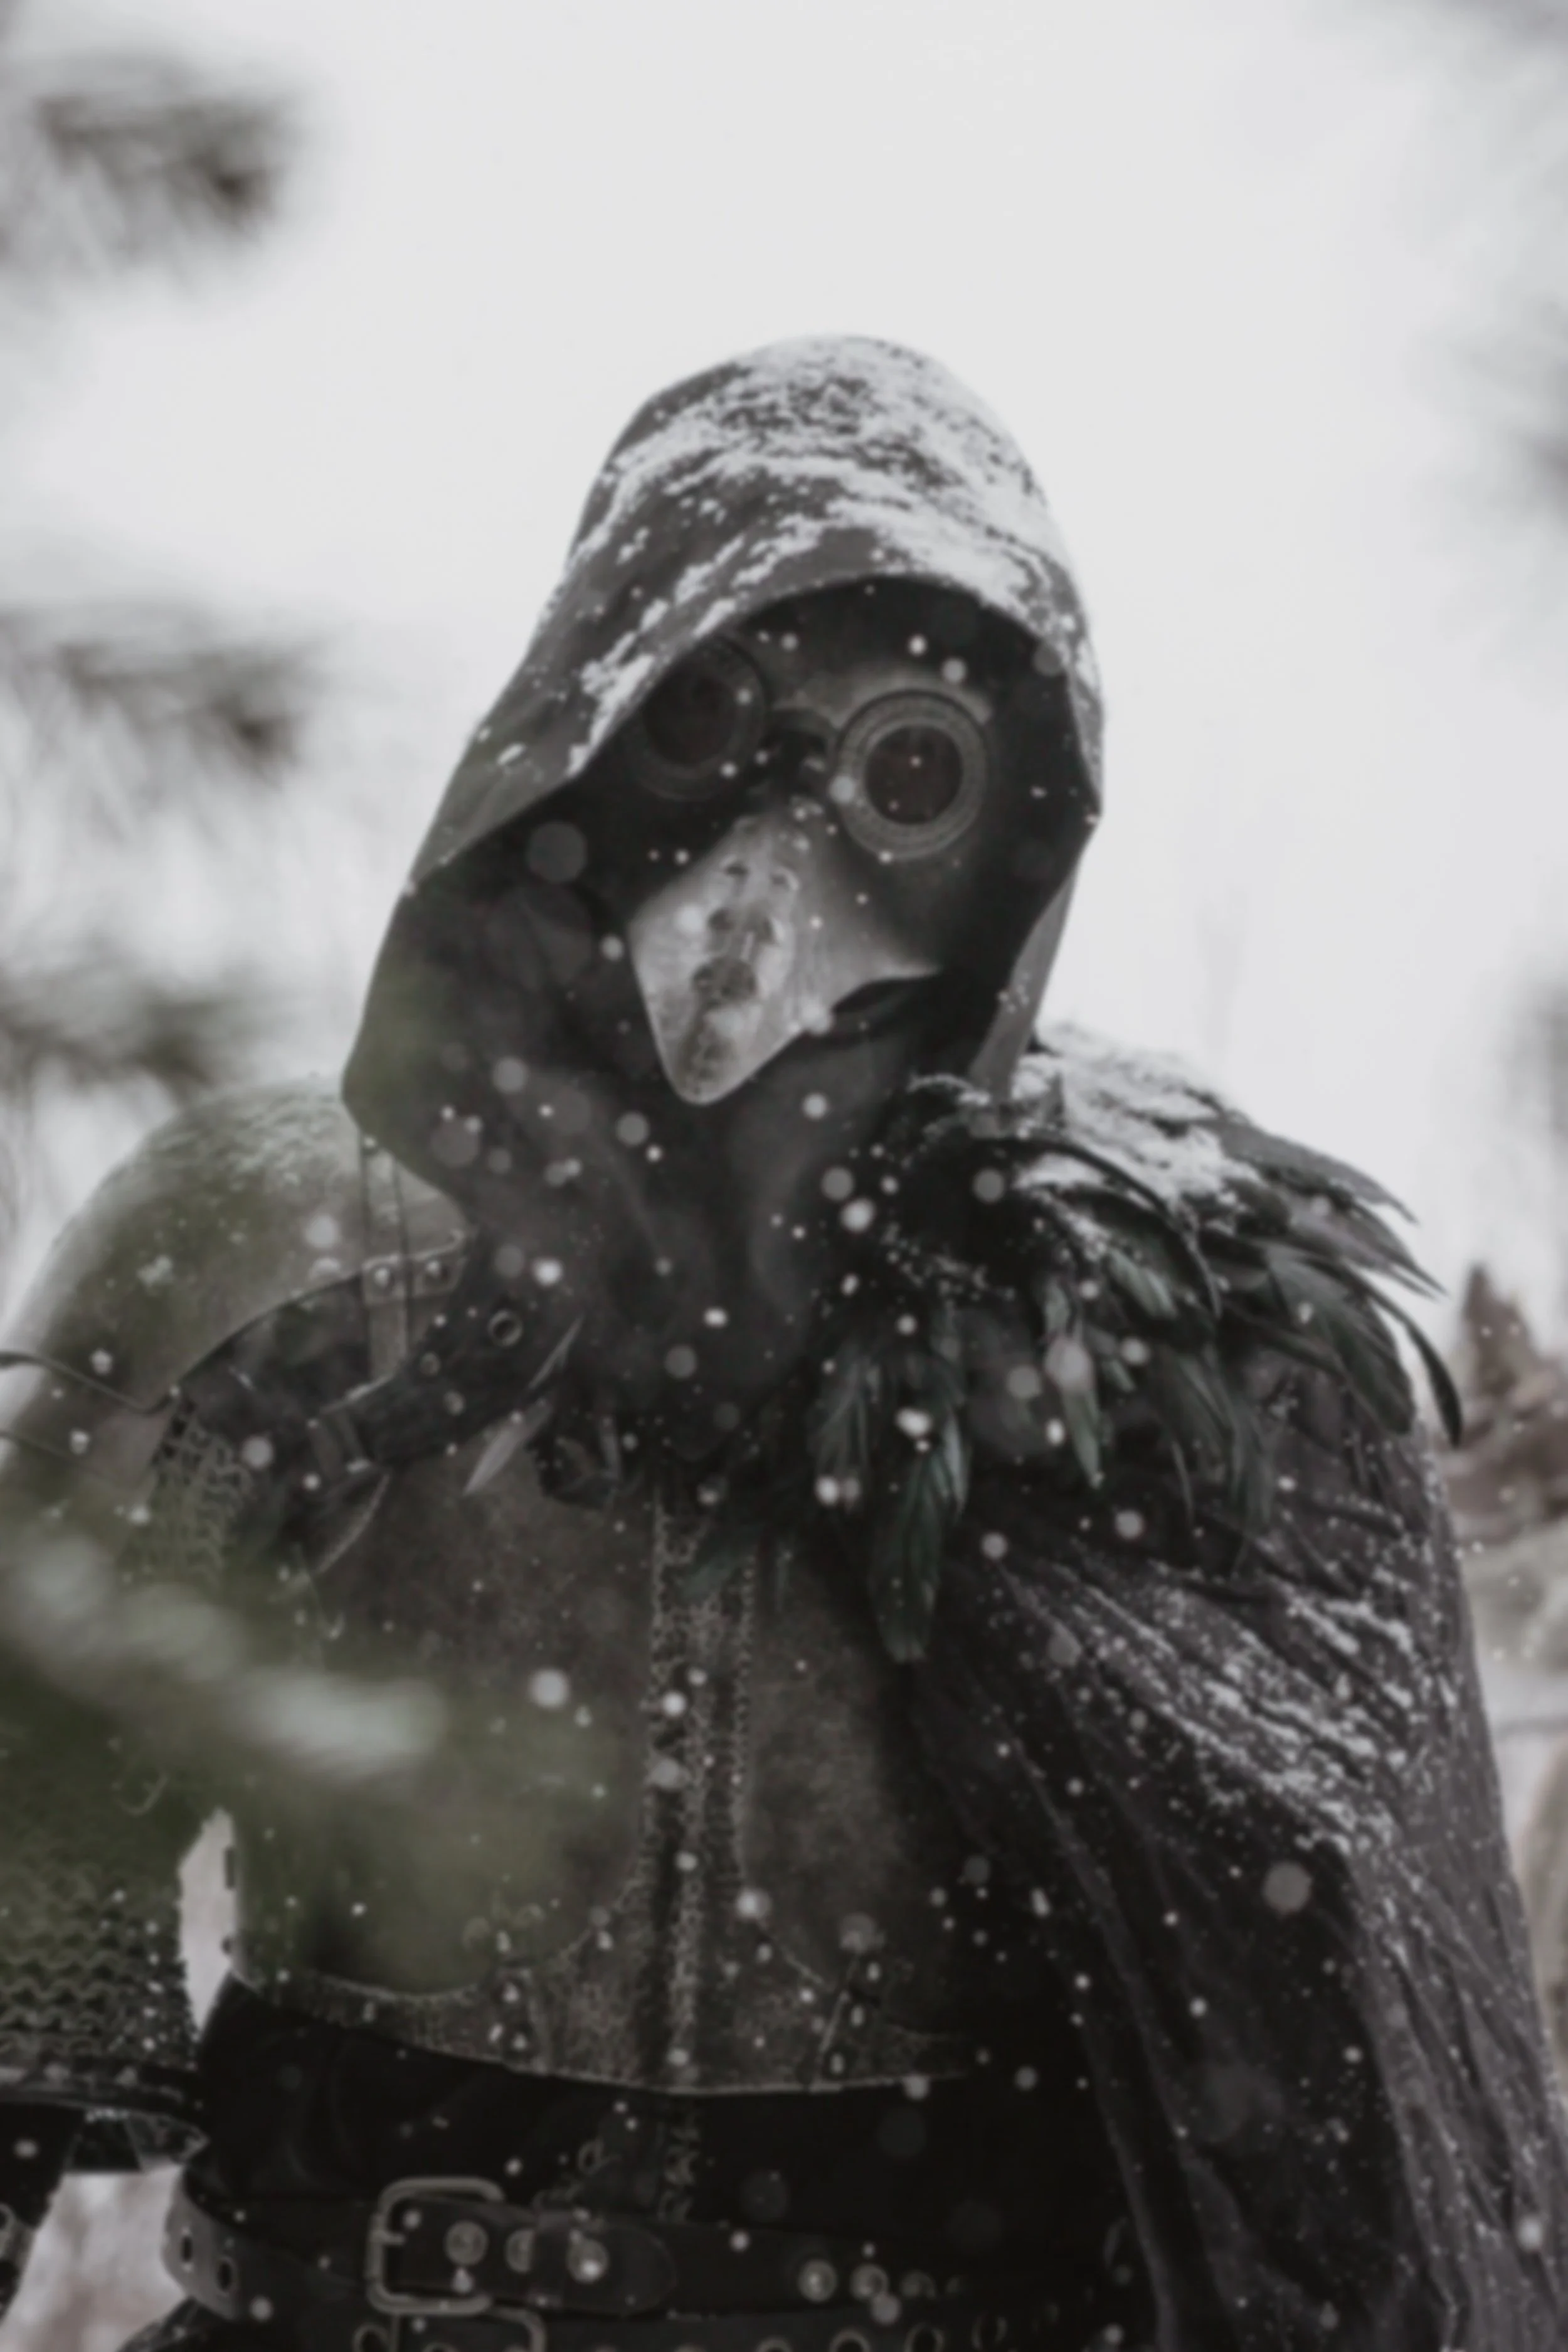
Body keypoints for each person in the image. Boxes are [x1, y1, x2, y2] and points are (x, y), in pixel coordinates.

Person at [0, 339, 1562, 2352]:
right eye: (707, 714)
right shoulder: (256, 1254)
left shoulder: (1196, 1352)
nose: (771, 861)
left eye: (903, 763)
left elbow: (1373, 2171)